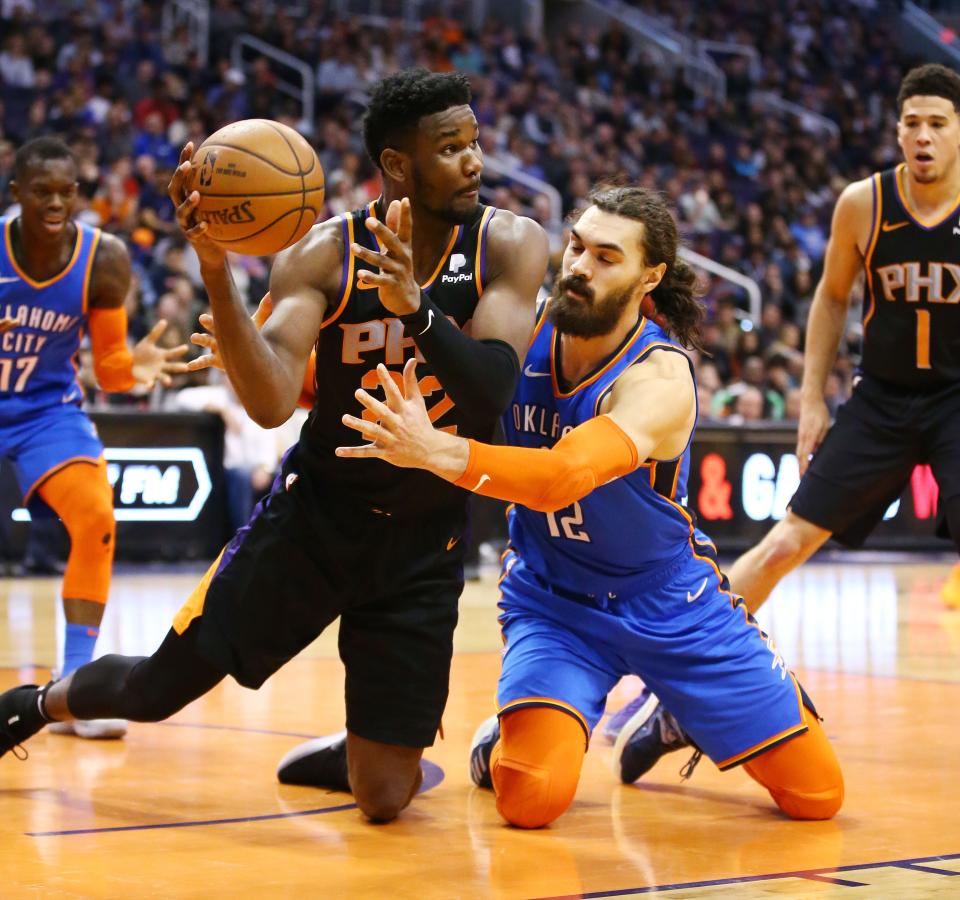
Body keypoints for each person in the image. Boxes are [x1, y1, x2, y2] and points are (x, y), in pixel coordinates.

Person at [0, 69, 548, 824]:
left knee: (386, 800)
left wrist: (417, 313)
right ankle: (34, 701)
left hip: (425, 543)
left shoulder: (509, 244)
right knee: (153, 694)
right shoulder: (323, 255)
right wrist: (218, 273)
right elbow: (264, 404)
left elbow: (491, 396)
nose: (475, 160)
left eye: (475, 142)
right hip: (314, 522)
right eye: (451, 147)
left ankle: (354, 750)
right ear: (396, 165)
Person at [321, 184, 844, 828]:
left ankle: (677, 713)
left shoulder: (658, 378)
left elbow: (560, 479)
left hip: (669, 602)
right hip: (553, 600)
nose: (578, 267)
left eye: (606, 257)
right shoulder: (522, 329)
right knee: (530, 799)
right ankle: (501, 741)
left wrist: (436, 452)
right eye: (574, 247)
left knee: (818, 798)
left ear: (649, 274)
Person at [611, 62, 960, 773]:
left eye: (939, 124)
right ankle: (683, 696)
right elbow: (831, 300)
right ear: (897, 130)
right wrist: (809, 399)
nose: (923, 137)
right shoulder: (864, 204)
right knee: (781, 546)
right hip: (884, 399)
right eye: (913, 123)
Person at [0, 137, 186, 740]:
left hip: (44, 413)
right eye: (41, 192)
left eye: (66, 191)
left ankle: (73, 686)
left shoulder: (103, 258)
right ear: (16, 195)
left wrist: (136, 364)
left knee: (96, 518)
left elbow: (107, 368)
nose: (56, 202)